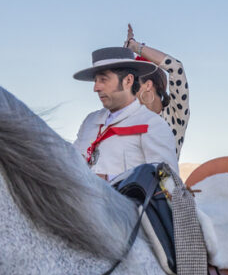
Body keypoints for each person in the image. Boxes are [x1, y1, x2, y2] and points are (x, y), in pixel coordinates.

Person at [72, 47, 179, 180]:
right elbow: (71, 163)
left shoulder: (152, 124)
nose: (96, 88)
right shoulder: (90, 121)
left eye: (103, 80)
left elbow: (168, 181)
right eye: (95, 81)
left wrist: (108, 179)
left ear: (128, 81)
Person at [125, 25, 191, 158]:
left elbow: (176, 67)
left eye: (133, 86)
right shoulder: (127, 119)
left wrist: (135, 46)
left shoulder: (175, 115)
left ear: (148, 85)